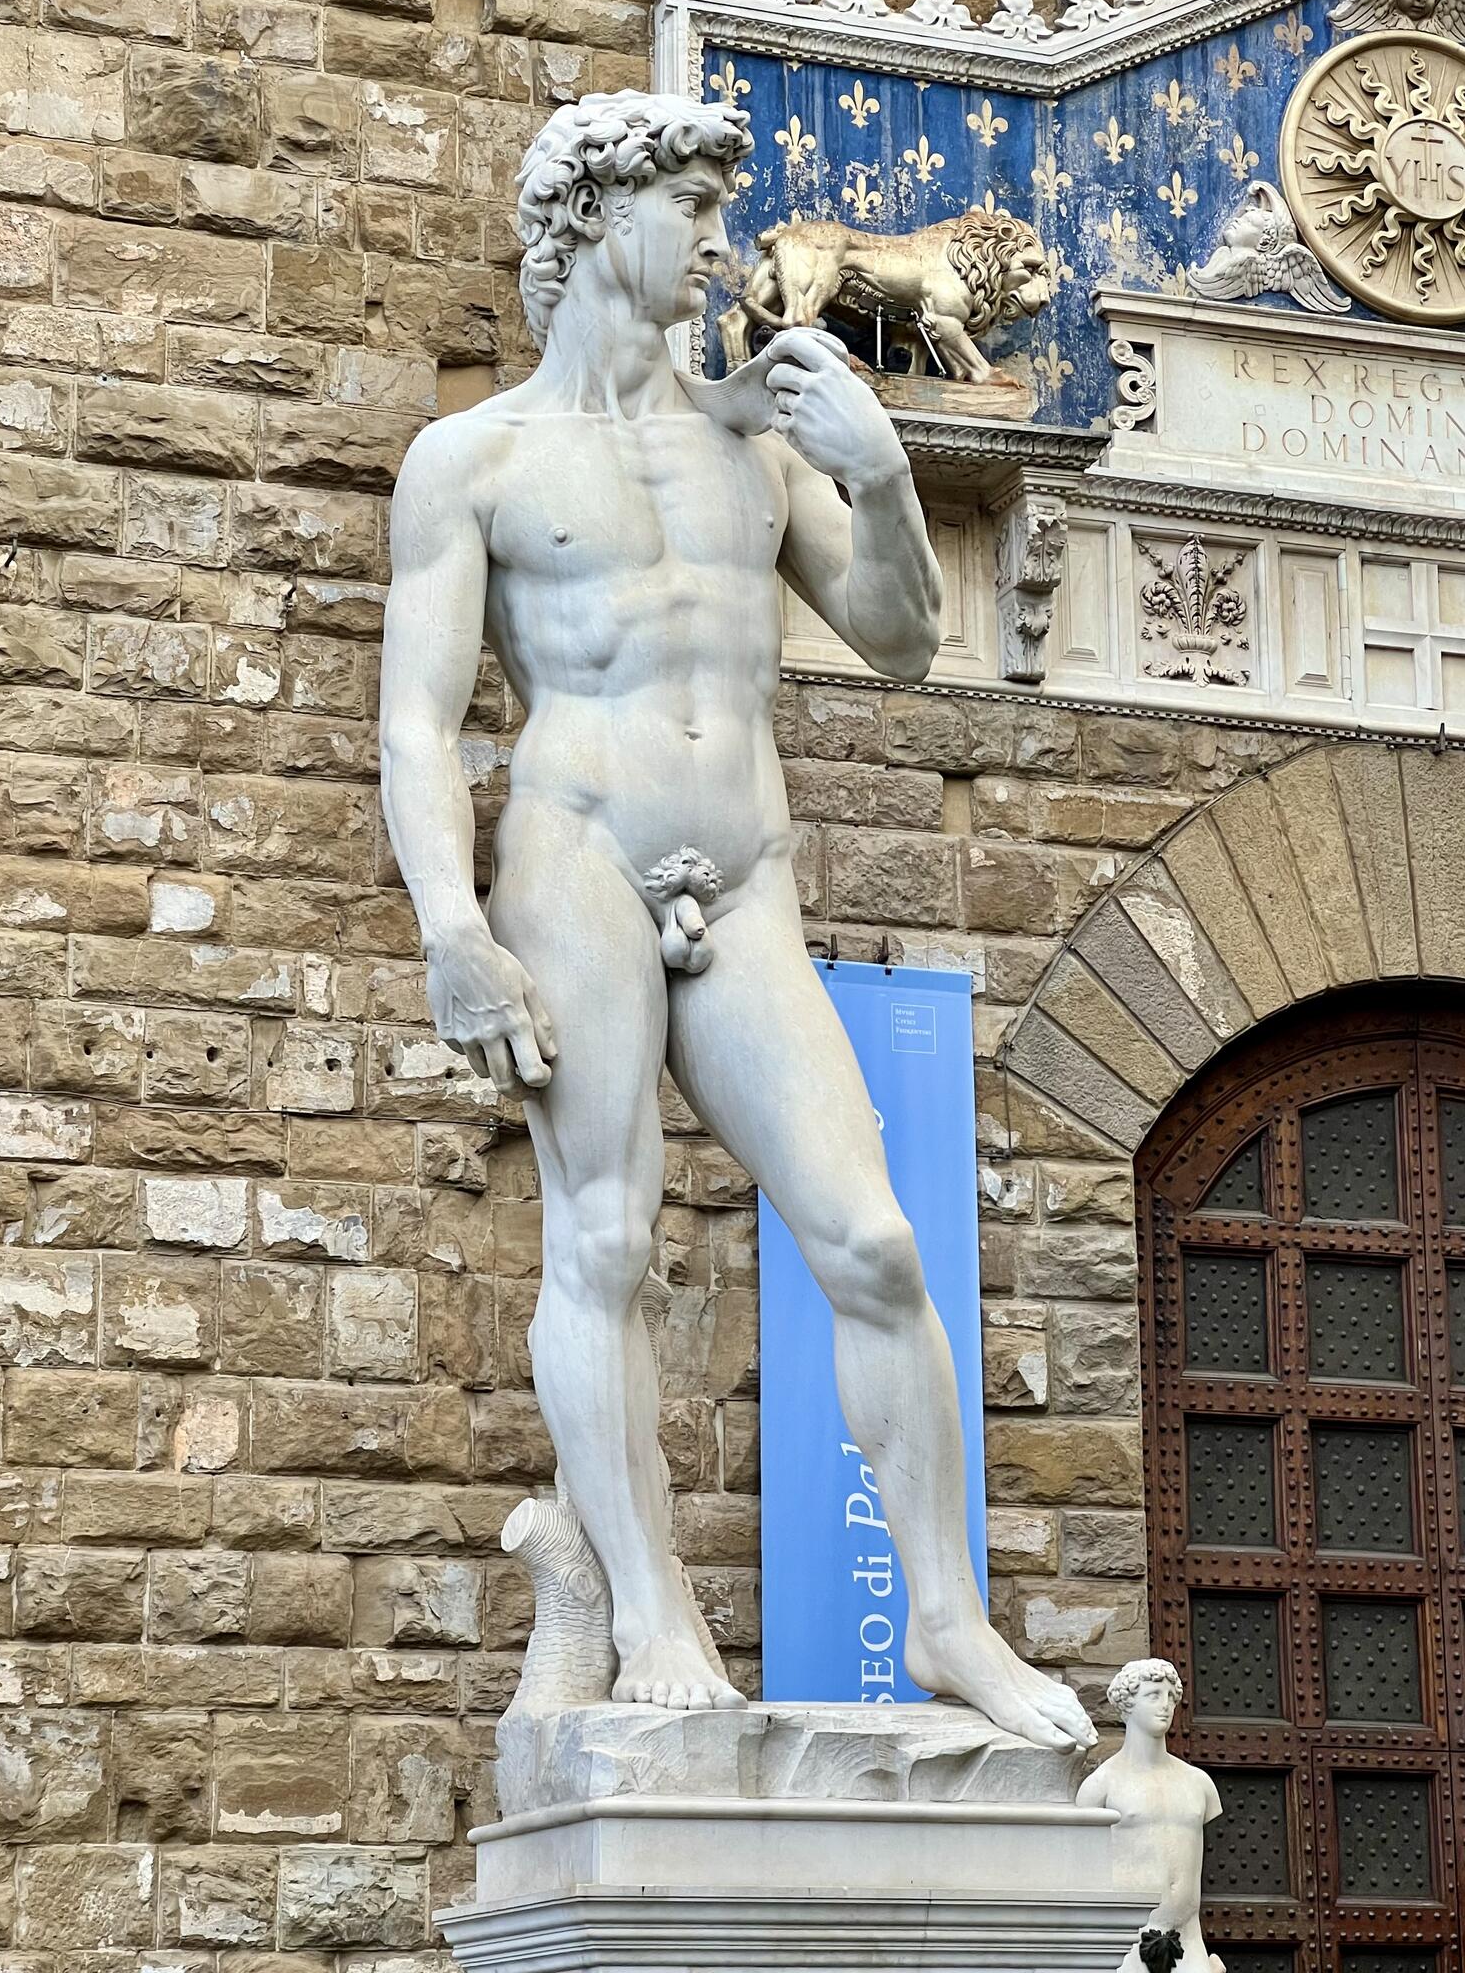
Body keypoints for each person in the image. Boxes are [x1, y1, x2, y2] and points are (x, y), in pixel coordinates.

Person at [377, 88, 1095, 1750]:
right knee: (607, 1238)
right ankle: (649, 1610)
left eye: (721, 206)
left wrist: (887, 475)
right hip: (576, 853)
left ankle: (947, 1623)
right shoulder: (472, 460)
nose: (719, 242)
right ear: (591, 225)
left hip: (746, 867)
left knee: (874, 1239)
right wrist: (450, 929)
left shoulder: (755, 439)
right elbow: (418, 722)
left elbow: (904, 640)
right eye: (690, 208)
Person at [1077, 1660, 1225, 1973]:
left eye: (1171, 1697)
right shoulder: (1101, 1787)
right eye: (1154, 1695)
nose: (1166, 1706)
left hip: (1188, 1937)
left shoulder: (1198, 1783)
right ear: (1128, 1703)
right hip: (1125, 1940)